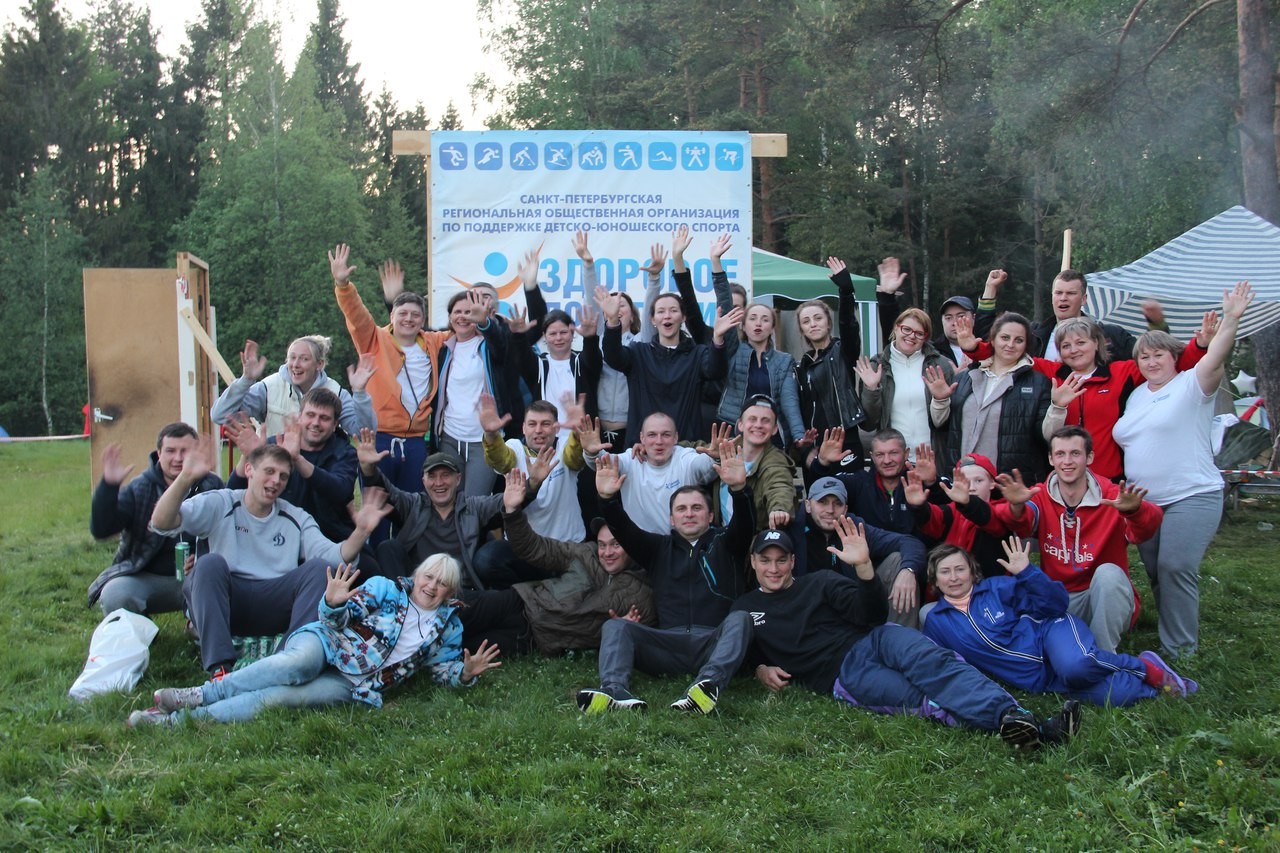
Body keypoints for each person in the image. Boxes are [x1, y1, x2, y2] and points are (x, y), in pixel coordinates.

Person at [732, 520, 1079, 748]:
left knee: (938, 664)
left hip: (876, 639)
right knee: (920, 698)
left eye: (781, 560)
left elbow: (870, 614)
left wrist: (864, 568)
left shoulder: (819, 582)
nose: (774, 568)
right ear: (753, 562)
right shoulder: (745, 608)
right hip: (842, 674)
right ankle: (1027, 729)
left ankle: (1013, 716)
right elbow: (737, 650)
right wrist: (760, 667)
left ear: (793, 561)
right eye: (766, 560)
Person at [126, 556, 501, 726]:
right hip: (328, 642)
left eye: (442, 583)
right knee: (296, 664)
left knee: (278, 698)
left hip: (355, 683)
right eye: (428, 577)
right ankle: (200, 694)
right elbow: (338, 619)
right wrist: (333, 603)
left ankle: (174, 723)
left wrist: (464, 674)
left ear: (450, 591)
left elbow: (441, 672)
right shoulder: (387, 589)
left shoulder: (448, 628)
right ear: (417, 575)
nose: (431, 586)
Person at [149, 439, 392, 678]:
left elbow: (334, 557)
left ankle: (288, 659)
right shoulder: (221, 502)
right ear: (249, 470)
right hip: (229, 601)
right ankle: (220, 669)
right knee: (208, 564)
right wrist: (185, 479)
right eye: (269, 471)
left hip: (274, 601)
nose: (276, 481)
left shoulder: (295, 516)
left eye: (283, 476)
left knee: (319, 569)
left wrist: (361, 531)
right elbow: (162, 522)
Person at [1113, 281, 1254, 658]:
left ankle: (1180, 651)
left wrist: (1231, 320)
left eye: (1159, 354)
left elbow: (1216, 356)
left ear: (1175, 357)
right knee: (1158, 572)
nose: (1151, 362)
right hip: (1146, 505)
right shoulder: (1137, 396)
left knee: (1175, 567)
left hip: (1191, 494)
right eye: (1144, 357)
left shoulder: (1193, 384)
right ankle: (1171, 633)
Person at [575, 448, 756, 714]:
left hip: (713, 643)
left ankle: (707, 686)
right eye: (681, 509)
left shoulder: (727, 544)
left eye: (696, 508)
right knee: (616, 626)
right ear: (671, 519)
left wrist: (740, 490)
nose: (689, 514)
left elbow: (746, 525)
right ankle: (614, 690)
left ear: (710, 516)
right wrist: (607, 499)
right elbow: (623, 529)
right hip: (667, 645)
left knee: (741, 619)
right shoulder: (657, 548)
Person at [922, 537, 1197, 705]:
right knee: (1118, 695)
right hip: (1041, 679)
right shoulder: (937, 621)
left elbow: (1055, 604)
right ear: (935, 579)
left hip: (1051, 634)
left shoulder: (995, 589)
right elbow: (946, 664)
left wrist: (1026, 572)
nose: (954, 577)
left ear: (972, 572)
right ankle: (1162, 686)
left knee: (1076, 666)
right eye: (945, 572)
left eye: (960, 569)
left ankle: (1142, 666)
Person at [954, 312, 1211, 481]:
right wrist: (974, 348)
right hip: (1063, 475)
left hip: (1107, 476)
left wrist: (1201, 345)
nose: (1073, 350)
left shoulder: (1122, 372)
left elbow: (1174, 364)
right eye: (1066, 346)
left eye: (1081, 343)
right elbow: (1009, 354)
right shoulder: (1052, 372)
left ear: (1097, 344)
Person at [990, 426, 1162, 652]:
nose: (1067, 461)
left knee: (1109, 574)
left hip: (1102, 598)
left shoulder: (1111, 496)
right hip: (1060, 599)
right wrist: (1016, 506)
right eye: (1060, 454)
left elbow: (1147, 528)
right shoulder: (1041, 494)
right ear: (1051, 459)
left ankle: (1103, 655)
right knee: (1023, 604)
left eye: (1075, 453)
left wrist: (1135, 511)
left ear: (1089, 457)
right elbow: (1021, 524)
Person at [458, 470, 656, 656]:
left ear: (630, 544)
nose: (607, 553)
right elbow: (534, 547)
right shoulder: (585, 554)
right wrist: (512, 512)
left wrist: (623, 631)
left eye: (616, 545)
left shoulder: (640, 593)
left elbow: (645, 634)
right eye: (602, 545)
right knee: (457, 611)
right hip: (520, 602)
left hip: (535, 637)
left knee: (464, 647)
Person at [595, 239, 744, 442]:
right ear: (652, 319)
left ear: (683, 318)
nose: (667, 316)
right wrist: (612, 321)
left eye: (673, 310)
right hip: (642, 449)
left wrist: (718, 338)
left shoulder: (697, 354)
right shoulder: (639, 353)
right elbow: (613, 356)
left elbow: (716, 370)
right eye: (661, 311)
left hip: (685, 447)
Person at [331, 244, 442, 498]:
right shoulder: (374, 339)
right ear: (392, 316)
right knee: (377, 507)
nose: (409, 319)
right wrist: (343, 285)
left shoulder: (434, 342)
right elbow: (357, 316)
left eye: (415, 315)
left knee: (413, 508)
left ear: (423, 320)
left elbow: (464, 329)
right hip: (378, 437)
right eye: (403, 313)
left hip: (415, 442)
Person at [88, 423, 223, 614]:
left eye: (184, 451)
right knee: (115, 594)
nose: (178, 458)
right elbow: (102, 530)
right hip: (148, 576)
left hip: (198, 577)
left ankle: (198, 623)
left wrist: (202, 558)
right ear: (159, 453)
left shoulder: (212, 485)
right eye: (170, 451)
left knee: (234, 583)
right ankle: (139, 628)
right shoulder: (140, 488)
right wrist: (108, 488)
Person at [355, 430, 506, 590]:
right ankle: (400, 600)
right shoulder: (413, 505)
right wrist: (369, 469)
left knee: (502, 596)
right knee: (387, 548)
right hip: (419, 593)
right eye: (432, 476)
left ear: (458, 479)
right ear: (423, 481)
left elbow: (505, 502)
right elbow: (387, 493)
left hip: (461, 593)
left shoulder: (474, 507)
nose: (439, 483)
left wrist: (524, 487)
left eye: (445, 475)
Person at [931, 311, 1061, 483]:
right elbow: (940, 423)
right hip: (963, 480)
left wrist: (1059, 408)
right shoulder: (965, 378)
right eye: (1005, 338)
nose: (1011, 344)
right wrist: (940, 400)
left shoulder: (1038, 383)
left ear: (1026, 345)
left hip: (1010, 485)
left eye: (1019, 340)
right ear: (992, 340)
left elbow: (1047, 436)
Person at [475, 393, 585, 587]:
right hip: (524, 548)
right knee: (486, 559)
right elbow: (500, 459)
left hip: (565, 547)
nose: (538, 430)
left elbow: (574, 458)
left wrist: (577, 434)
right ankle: (520, 597)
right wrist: (491, 436)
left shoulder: (565, 447)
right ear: (523, 428)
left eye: (545, 424)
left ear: (556, 428)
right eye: (532, 424)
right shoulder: (514, 448)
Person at [223, 387, 360, 544]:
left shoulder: (344, 452)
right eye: (310, 415)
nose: (316, 423)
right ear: (300, 416)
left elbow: (341, 491)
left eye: (324, 418)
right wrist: (249, 456)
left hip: (330, 539)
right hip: (277, 538)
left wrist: (297, 459)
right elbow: (233, 492)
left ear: (335, 424)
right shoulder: (275, 445)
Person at [796, 476, 925, 628]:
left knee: (899, 560)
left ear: (845, 509)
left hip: (852, 605)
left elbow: (910, 542)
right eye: (822, 502)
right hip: (805, 609)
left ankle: (899, 636)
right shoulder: (793, 527)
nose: (830, 510)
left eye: (837, 503)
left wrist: (909, 570)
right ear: (808, 505)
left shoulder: (855, 527)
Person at [211, 334, 376, 438]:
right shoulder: (268, 387)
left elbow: (364, 434)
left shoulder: (336, 393)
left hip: (318, 473)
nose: (295, 365)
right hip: (274, 474)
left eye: (304, 359)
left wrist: (360, 393)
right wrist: (246, 380)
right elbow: (220, 416)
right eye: (292, 358)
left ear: (319, 364)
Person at [580, 412, 719, 534]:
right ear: (642, 438)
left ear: (676, 437)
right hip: (641, 548)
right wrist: (592, 453)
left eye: (666, 435)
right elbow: (604, 463)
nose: (659, 441)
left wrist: (716, 457)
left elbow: (706, 465)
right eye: (652, 435)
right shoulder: (630, 460)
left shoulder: (685, 458)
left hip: (683, 547)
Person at [795, 258, 869, 475]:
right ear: (802, 330)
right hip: (815, 445)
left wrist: (846, 292)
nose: (813, 324)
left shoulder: (842, 351)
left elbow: (848, 326)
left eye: (818, 318)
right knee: (817, 495)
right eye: (806, 321)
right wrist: (804, 447)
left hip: (845, 438)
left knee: (849, 493)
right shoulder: (801, 366)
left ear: (828, 322)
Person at [857, 302, 955, 463]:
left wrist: (941, 399)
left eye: (919, 333)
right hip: (892, 462)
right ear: (896, 328)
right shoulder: (876, 367)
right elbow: (868, 424)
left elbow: (945, 423)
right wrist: (871, 389)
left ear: (926, 338)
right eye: (906, 329)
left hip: (932, 459)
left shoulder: (940, 366)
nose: (912, 336)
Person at [807, 427, 934, 535]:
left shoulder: (918, 481)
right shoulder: (859, 482)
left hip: (916, 552)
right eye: (880, 455)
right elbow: (819, 489)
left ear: (906, 454)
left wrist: (931, 483)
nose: (887, 460)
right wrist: (822, 463)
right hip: (869, 552)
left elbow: (941, 520)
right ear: (872, 456)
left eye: (894, 453)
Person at [716, 302, 807, 448]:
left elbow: (789, 400)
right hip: (735, 432)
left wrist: (799, 435)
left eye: (765, 320)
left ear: (772, 328)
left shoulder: (784, 360)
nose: (758, 323)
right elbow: (725, 300)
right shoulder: (733, 352)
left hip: (770, 433)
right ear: (743, 326)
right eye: (752, 318)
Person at [711, 395, 798, 533]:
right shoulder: (726, 447)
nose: (758, 425)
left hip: (753, 540)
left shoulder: (775, 461)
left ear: (775, 429)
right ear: (740, 424)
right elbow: (691, 447)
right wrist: (710, 455)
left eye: (765, 421)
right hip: (720, 537)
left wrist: (779, 509)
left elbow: (780, 485)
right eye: (752, 419)